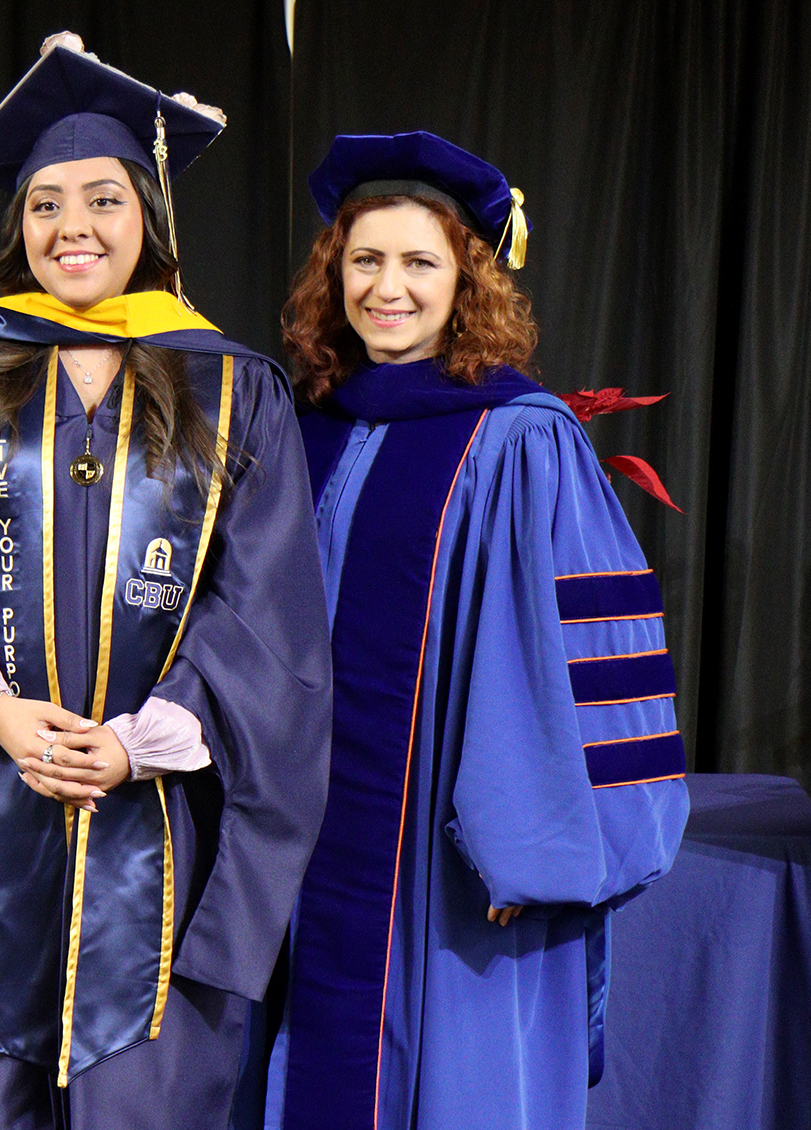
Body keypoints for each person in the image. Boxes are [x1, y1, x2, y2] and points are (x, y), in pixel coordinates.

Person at [0, 34, 332, 1130]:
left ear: (149, 218)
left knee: (152, 1101)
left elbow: (264, 608)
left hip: (163, 819)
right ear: (16, 226)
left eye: (103, 198)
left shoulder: (230, 384)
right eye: (44, 204)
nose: (71, 227)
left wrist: (142, 736)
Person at [266, 133, 691, 1130]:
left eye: (420, 261)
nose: (387, 288)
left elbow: (580, 656)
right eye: (364, 261)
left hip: (457, 857)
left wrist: (530, 848)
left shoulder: (520, 434)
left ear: (467, 279)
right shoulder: (305, 425)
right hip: (305, 839)